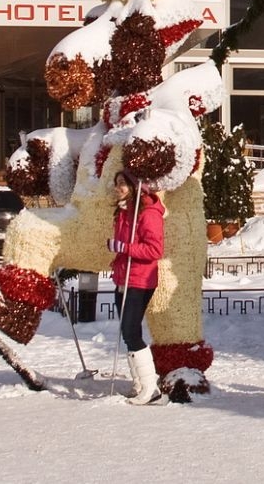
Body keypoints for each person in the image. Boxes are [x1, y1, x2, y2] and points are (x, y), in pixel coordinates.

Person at [108, 169, 165, 405]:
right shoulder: (123, 212)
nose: (118, 187)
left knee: (131, 330)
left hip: (140, 280)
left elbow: (155, 250)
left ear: (134, 187)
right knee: (127, 331)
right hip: (124, 278)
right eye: (117, 183)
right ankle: (140, 382)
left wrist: (123, 248)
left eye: (122, 183)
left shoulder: (148, 213)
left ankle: (151, 389)